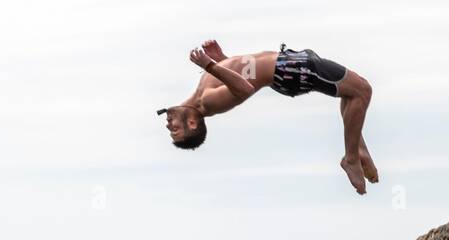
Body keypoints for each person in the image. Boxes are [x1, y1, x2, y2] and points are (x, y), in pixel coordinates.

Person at [158, 40, 378, 195]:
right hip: (288, 70)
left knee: (351, 94)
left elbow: (248, 73)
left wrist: (222, 60)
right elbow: (244, 89)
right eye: (175, 130)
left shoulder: (201, 93)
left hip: (286, 64)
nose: (168, 125)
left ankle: (358, 150)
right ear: (192, 123)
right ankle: (351, 157)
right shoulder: (208, 102)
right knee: (361, 91)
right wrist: (209, 65)